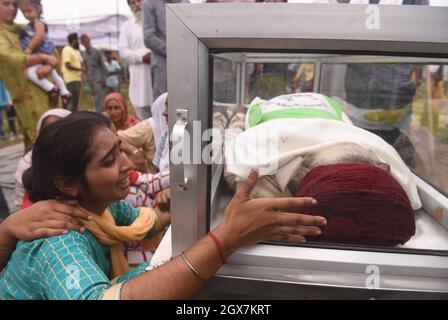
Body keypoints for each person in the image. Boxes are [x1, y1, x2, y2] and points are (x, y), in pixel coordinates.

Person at [0, 111, 326, 300]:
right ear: (68, 184)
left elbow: (153, 219)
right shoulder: (58, 240)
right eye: (110, 160)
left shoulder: (102, 211)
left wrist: (194, 207)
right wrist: (226, 238)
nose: (129, 164)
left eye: (121, 149)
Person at [0, 0, 53, 146]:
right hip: (26, 99)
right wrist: (42, 57)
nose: (12, 8)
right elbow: (10, 58)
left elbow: (50, 47)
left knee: (59, 134)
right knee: (40, 142)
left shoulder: (24, 28)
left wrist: (50, 65)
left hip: (47, 89)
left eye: (15, 5)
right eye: (6, 4)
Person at [13, 108, 71, 209]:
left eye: (60, 129)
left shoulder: (82, 154)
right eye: (49, 130)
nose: (54, 135)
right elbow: (20, 197)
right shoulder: (28, 160)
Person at [18, 0, 71, 107]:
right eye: (24, 12)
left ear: (38, 9)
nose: (26, 15)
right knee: (53, 73)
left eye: (29, 11)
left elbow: (39, 36)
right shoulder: (33, 23)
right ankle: (64, 92)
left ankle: (51, 89)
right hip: (46, 52)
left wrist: (29, 48)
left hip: (41, 51)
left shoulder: (38, 22)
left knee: (30, 73)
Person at [142, 0, 189, 101]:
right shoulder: (150, 3)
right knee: (163, 105)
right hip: (163, 66)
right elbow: (149, 38)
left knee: (186, 101)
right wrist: (174, 51)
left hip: (186, 63)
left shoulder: (186, 2)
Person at [119, 0, 154, 120]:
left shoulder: (156, 21)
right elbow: (123, 51)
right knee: (143, 117)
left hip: (158, 75)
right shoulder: (127, 26)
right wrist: (141, 57)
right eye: (132, 3)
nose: (136, 5)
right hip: (139, 80)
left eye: (138, 0)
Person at [80, 34, 108, 113]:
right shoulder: (84, 54)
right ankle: (100, 113)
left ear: (89, 40)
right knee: (96, 99)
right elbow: (86, 67)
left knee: (100, 99)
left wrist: (104, 79)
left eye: (85, 41)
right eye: (82, 42)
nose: (84, 43)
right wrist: (86, 78)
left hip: (98, 79)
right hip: (91, 80)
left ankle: (100, 115)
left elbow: (103, 66)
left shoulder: (96, 52)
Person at [61, 33, 84, 112]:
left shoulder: (74, 50)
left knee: (75, 101)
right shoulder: (67, 49)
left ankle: (72, 117)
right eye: (77, 40)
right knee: (70, 100)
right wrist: (80, 69)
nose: (78, 42)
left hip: (76, 79)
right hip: (70, 79)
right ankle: (63, 115)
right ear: (74, 40)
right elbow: (67, 65)